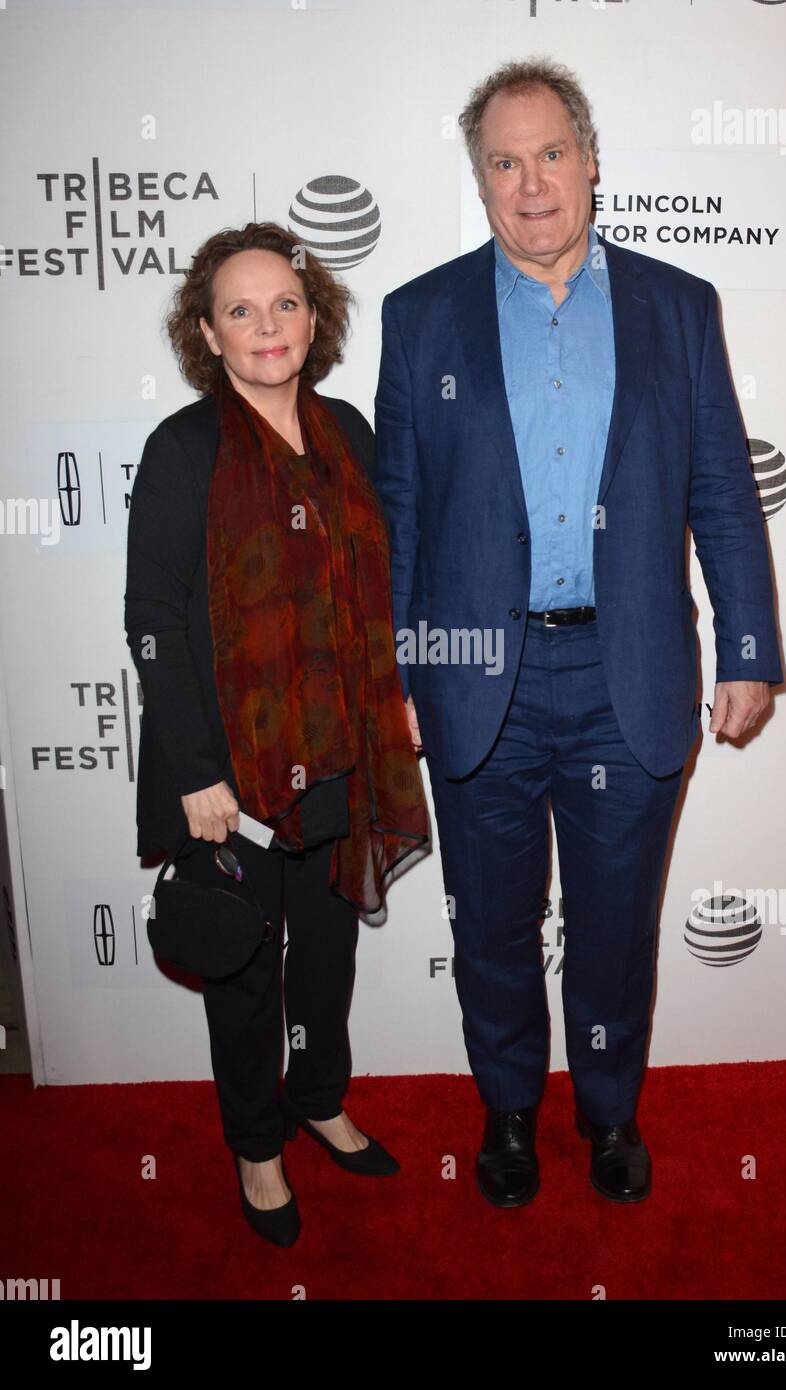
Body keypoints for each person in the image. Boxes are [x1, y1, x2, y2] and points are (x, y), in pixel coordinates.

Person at [374, 59, 783, 1208]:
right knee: (492, 922)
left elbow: (718, 490)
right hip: (475, 682)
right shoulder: (420, 315)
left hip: (629, 669)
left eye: (550, 152)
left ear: (591, 161)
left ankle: (607, 1113)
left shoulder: (677, 305)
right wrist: (396, 670)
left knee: (613, 926)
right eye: (502, 161)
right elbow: (399, 507)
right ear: (480, 179)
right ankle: (506, 1113)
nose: (530, 181)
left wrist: (746, 645)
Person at [125, 221, 429, 1246]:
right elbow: (154, 618)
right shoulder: (185, 449)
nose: (267, 325)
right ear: (207, 332)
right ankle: (258, 1147)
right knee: (247, 970)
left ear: (313, 315)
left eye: (284, 303)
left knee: (329, 949)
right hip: (233, 771)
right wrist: (198, 773)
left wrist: (403, 694)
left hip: (340, 741)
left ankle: (319, 1096)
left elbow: (378, 583)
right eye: (240, 310)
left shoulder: (347, 428)